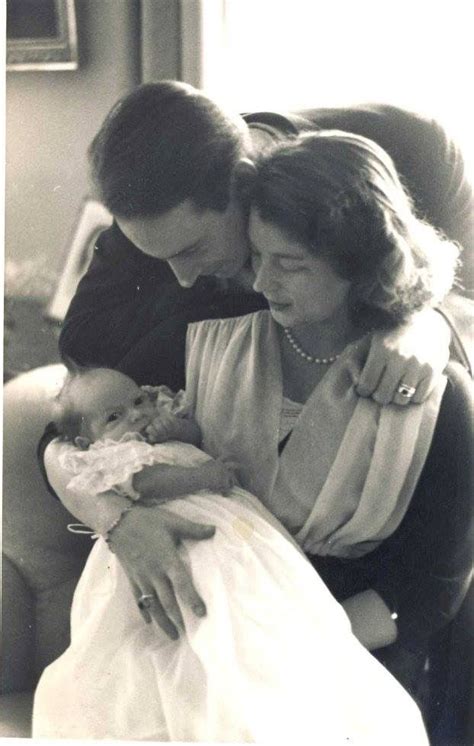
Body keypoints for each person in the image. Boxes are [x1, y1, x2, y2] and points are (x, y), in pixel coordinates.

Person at [43, 129, 472, 734]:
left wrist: (288, 649)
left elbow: (431, 586)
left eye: (289, 265)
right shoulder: (209, 335)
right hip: (196, 642)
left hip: (347, 646)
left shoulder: (438, 397)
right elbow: (70, 435)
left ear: (361, 265)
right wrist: (121, 520)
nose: (262, 281)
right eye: (257, 255)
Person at [33, 366, 429, 742]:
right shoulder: (118, 457)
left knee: (259, 601)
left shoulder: (159, 427)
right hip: (177, 535)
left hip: (235, 529)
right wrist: (203, 477)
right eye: (115, 417)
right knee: (202, 621)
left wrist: (178, 429)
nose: (136, 416)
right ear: (88, 443)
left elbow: (195, 433)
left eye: (138, 401)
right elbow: (148, 485)